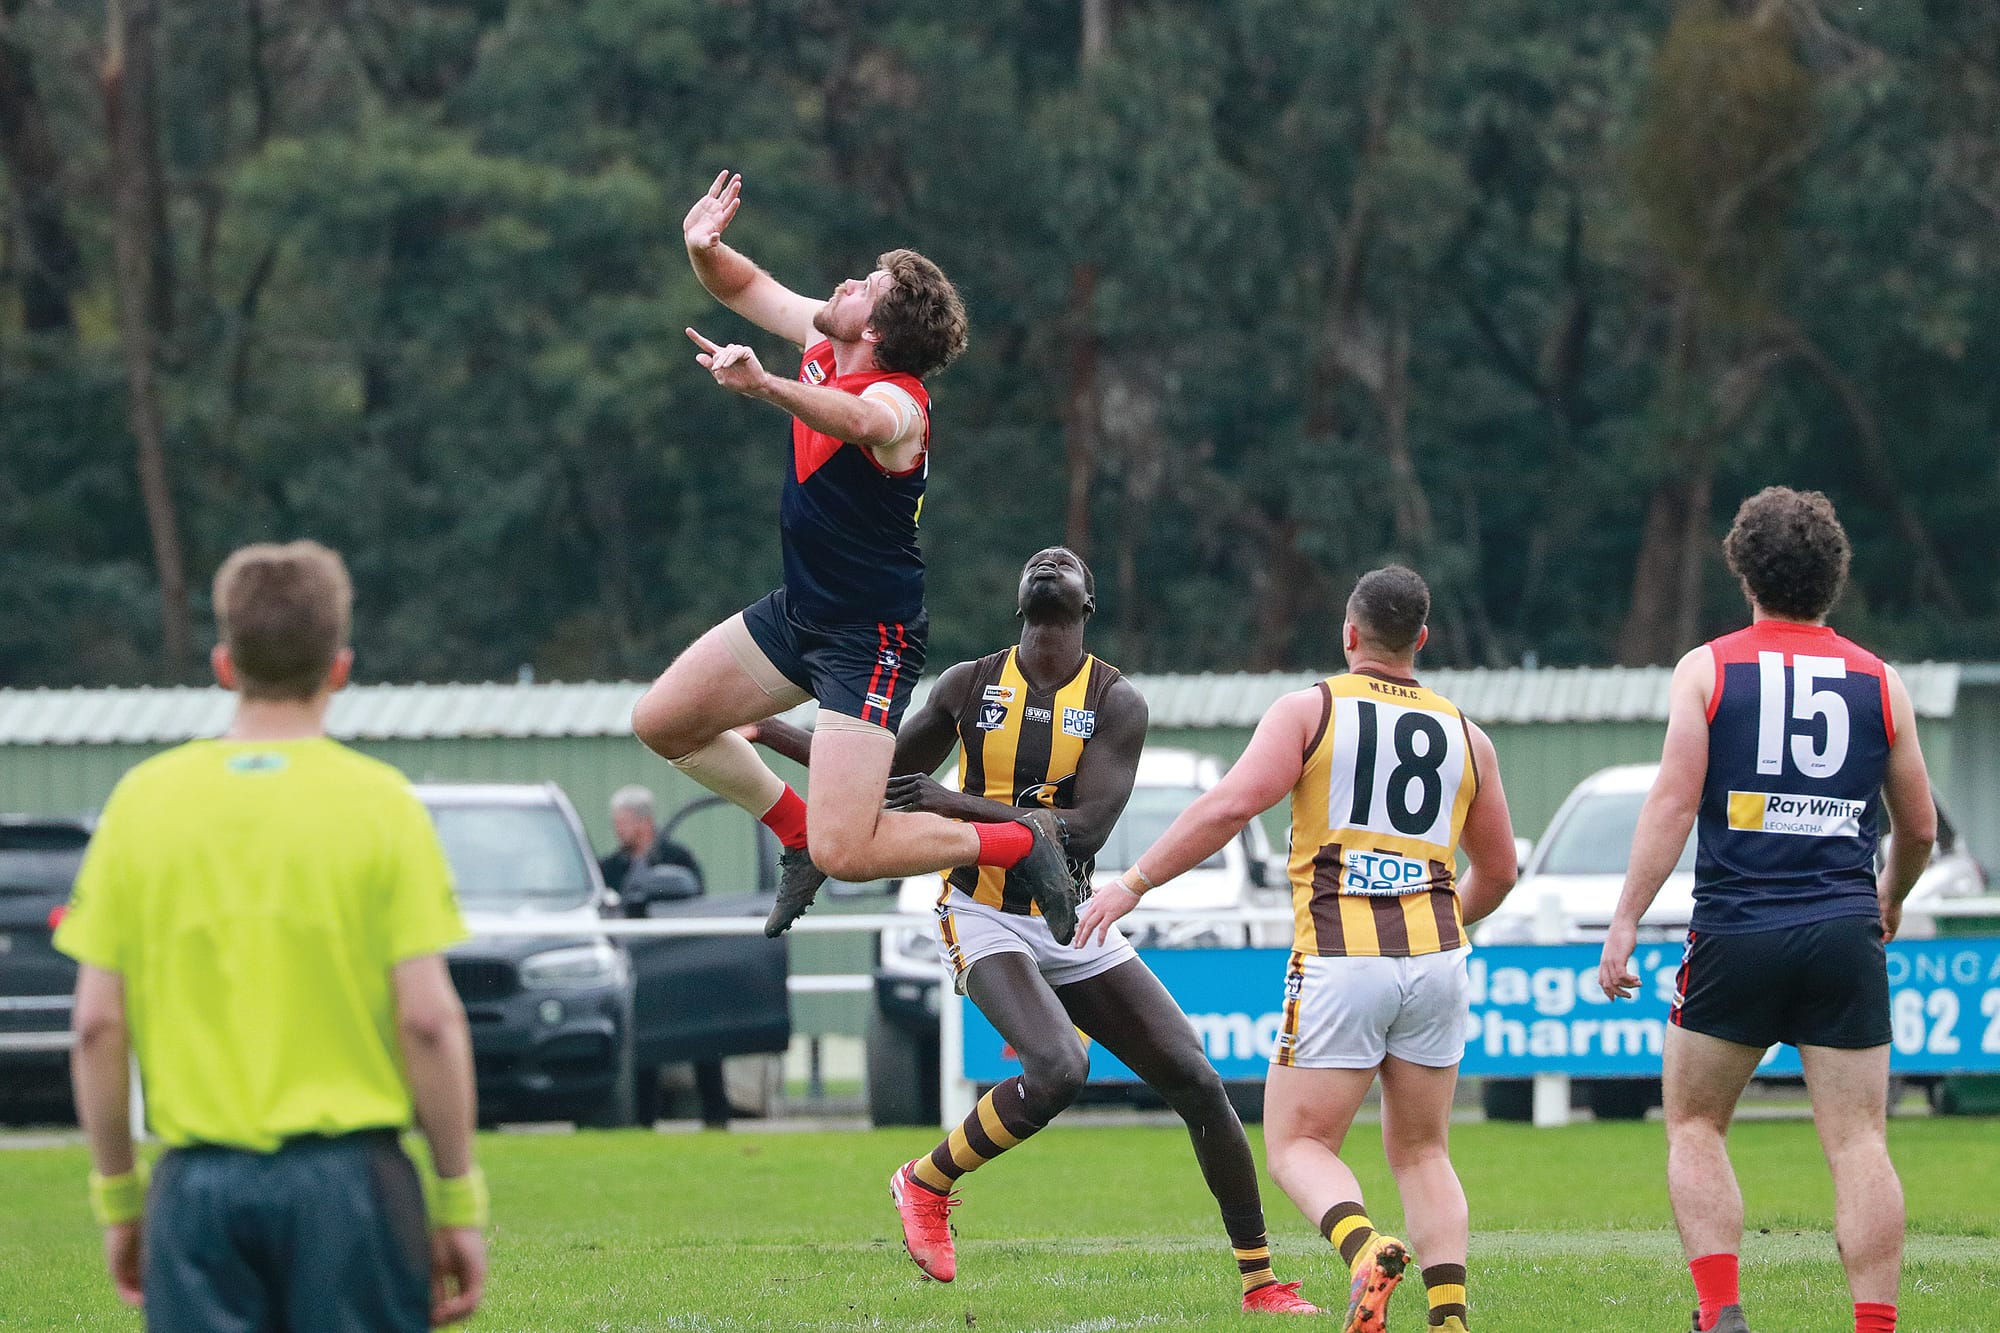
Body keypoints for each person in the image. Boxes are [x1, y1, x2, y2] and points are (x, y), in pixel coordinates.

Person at [747, 546, 1320, 1314]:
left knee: (1199, 1080)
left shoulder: (1117, 701)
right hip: (980, 911)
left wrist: (960, 804)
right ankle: (926, 1183)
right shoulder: (969, 683)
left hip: (1067, 916)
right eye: (1037, 561)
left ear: (1088, 604)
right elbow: (872, 774)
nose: (1050, 561)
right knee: (1059, 1069)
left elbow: (1080, 833)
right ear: (1020, 600)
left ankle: (1260, 1282)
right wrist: (763, 726)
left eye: (1069, 560)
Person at [631, 170, 1078, 943]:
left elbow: (861, 420)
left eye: (865, 285)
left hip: (870, 639)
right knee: (663, 721)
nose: (843, 282)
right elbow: (745, 287)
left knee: (852, 851)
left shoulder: (901, 403)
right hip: (801, 610)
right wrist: (702, 246)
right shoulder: (825, 337)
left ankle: (1021, 839)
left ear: (875, 332)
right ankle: (794, 828)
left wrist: (765, 385)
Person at [54, 540, 487, 1330]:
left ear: (225, 664)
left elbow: (95, 1024)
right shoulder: (381, 805)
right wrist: (457, 1194)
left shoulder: (142, 804)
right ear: (339, 667)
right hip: (352, 1183)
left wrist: (118, 1197)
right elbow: (427, 1020)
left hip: (198, 1191)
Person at [1076, 566, 1518, 1333]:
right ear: (1421, 638)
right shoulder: (1467, 734)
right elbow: (1501, 869)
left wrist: (1134, 882)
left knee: (1298, 1143)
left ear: (1349, 634)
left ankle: (1364, 1248)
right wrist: (1439, 920)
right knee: (1423, 1151)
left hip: (1344, 957)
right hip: (1440, 960)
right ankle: (1448, 1318)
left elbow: (1232, 804)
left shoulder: (1311, 709)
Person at [1598, 488, 1934, 1333]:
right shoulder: (1881, 683)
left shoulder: (1708, 668)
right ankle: (1875, 1324)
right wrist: (1887, 897)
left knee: (1695, 1121)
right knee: (1859, 1142)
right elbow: (1919, 825)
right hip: (1842, 932)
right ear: (1834, 577)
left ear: (1743, 569)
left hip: (1737, 929)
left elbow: (1673, 803)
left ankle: (1722, 1314)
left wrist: (1628, 917)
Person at [598, 784, 704, 896]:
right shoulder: (609, 867)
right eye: (616, 823)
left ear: (646, 822)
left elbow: (696, 901)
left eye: (624, 823)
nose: (618, 829)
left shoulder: (678, 858)